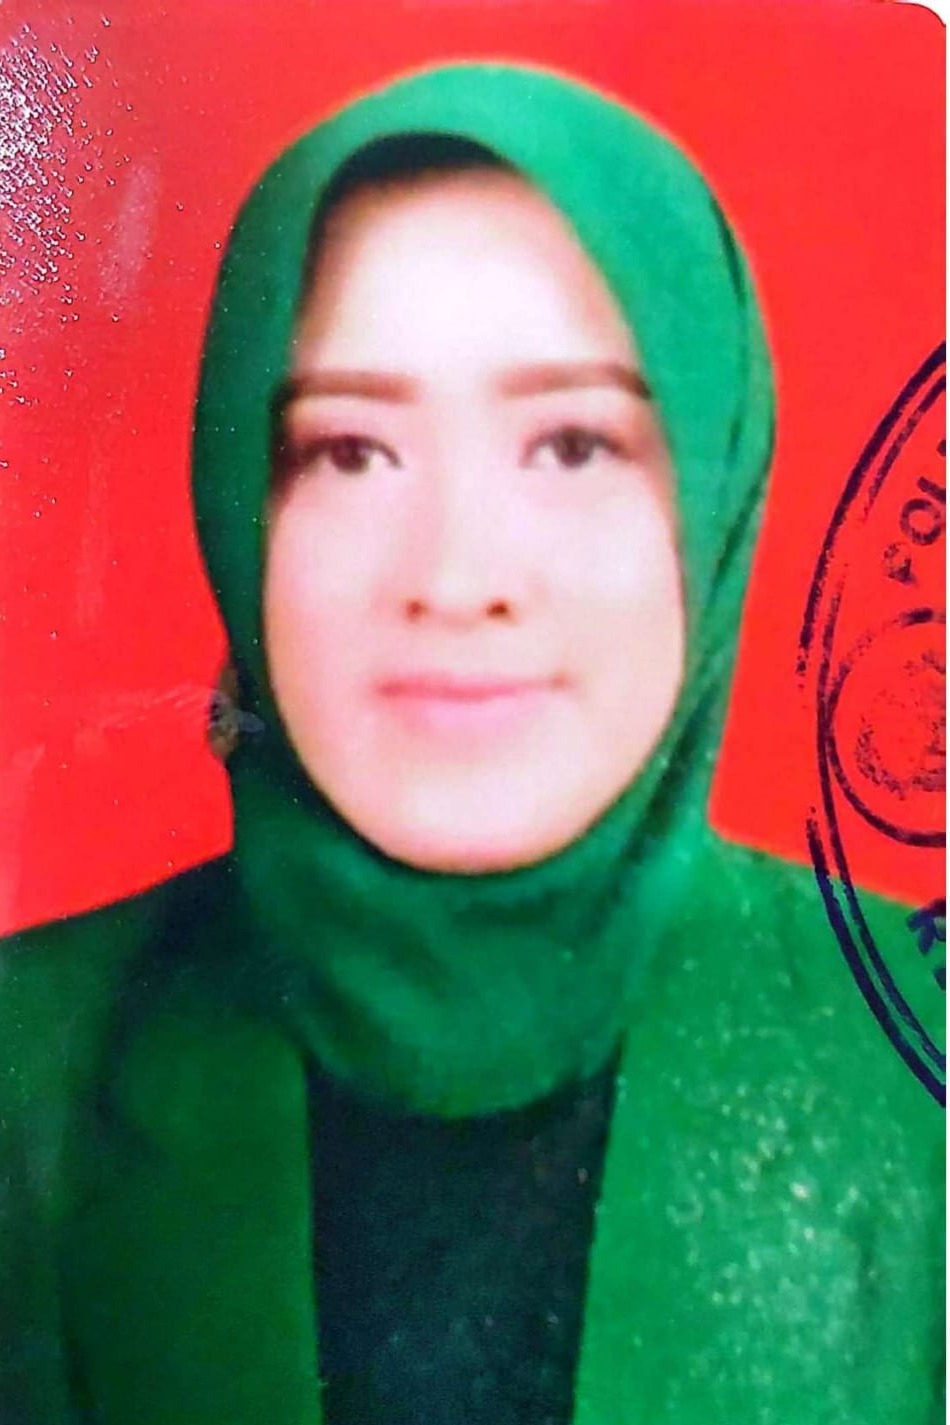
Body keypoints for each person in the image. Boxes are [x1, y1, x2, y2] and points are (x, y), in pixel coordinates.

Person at [0, 60, 941, 1425]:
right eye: (349, 452)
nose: (455, 576)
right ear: (240, 496)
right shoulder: (26, 1064)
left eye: (572, 446)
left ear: (713, 489)